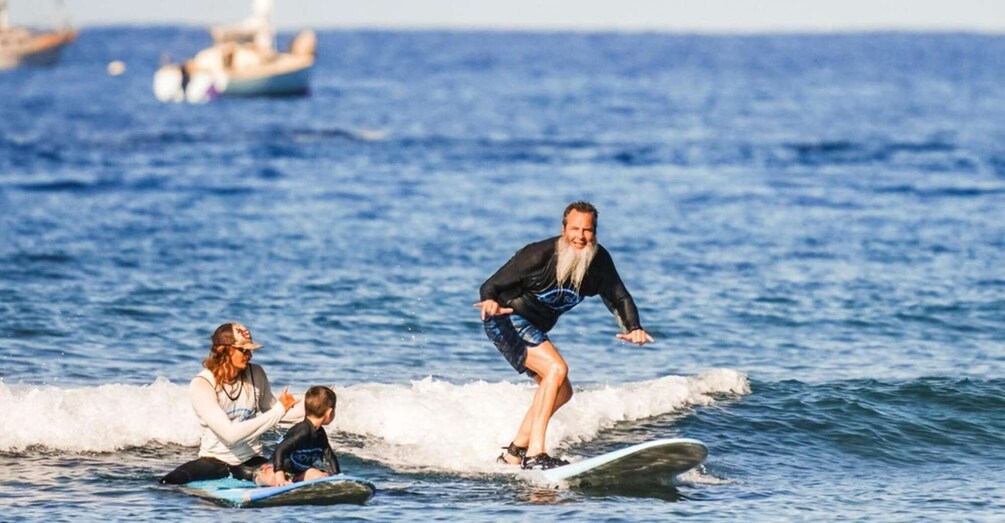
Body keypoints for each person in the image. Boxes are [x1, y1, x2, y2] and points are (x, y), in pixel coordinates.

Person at [477, 201, 654, 470]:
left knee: (564, 391)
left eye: (588, 230)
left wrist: (634, 327)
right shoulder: (538, 255)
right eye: (575, 229)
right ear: (563, 228)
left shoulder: (598, 262)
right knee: (556, 369)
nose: (581, 237)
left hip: (533, 327)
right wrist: (489, 301)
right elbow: (490, 285)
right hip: (507, 319)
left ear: (595, 232)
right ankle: (536, 454)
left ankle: (513, 454)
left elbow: (619, 296)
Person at [160, 322, 301, 484]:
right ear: (224, 351)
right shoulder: (202, 384)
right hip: (213, 461)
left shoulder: (256, 373)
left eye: (250, 350)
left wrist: (318, 403)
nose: (250, 355)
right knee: (168, 482)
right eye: (243, 350)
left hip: (250, 460)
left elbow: (282, 412)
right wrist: (278, 411)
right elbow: (230, 435)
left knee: (289, 477)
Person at [254, 385, 341, 486]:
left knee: (320, 477)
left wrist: (337, 476)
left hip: (296, 475)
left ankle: (293, 482)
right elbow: (280, 450)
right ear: (329, 412)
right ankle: (273, 481)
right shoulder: (302, 431)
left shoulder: (320, 434)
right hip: (272, 469)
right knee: (271, 477)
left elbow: (330, 457)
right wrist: (279, 475)